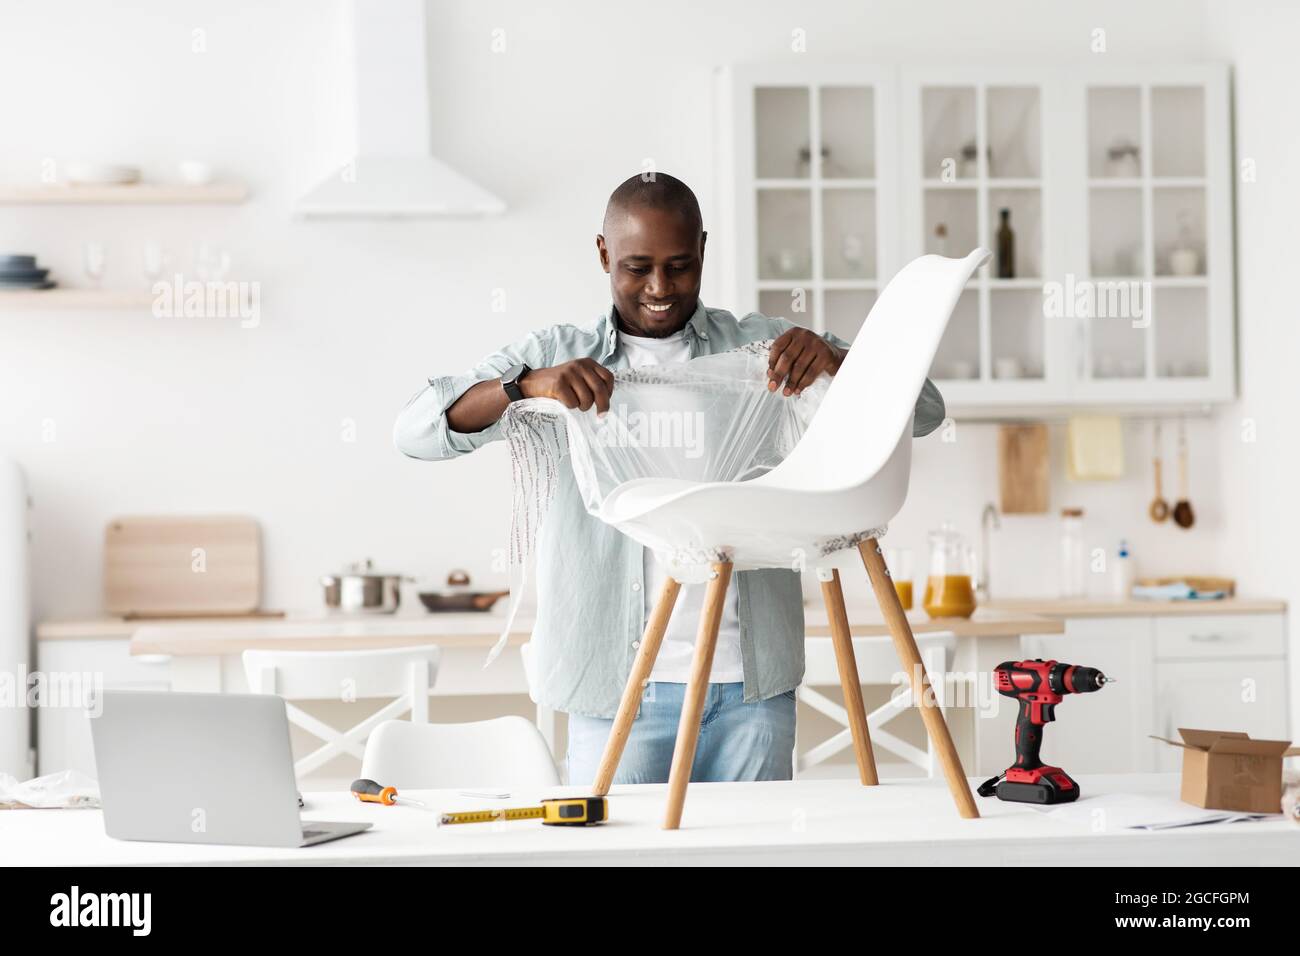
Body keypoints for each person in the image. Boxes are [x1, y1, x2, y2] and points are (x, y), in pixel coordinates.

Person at [394, 172, 944, 785]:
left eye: (680, 266)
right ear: (603, 253)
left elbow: (925, 410)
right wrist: (526, 386)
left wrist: (839, 362)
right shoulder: (557, 355)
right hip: (617, 691)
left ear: (703, 250)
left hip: (751, 688)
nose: (660, 287)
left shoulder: (762, 347)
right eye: (637, 267)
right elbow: (416, 431)